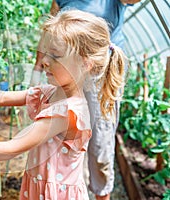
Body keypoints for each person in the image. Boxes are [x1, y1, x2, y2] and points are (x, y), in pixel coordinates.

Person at [0, 10, 126, 200]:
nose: (45, 61)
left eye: (55, 56)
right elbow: (4, 98)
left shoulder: (67, 112)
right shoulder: (49, 92)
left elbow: (12, 148)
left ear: (85, 64)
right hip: (39, 189)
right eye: (45, 53)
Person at [30, 1, 140, 200]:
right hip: (63, 69)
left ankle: (102, 193)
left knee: (100, 142)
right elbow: (50, 34)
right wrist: (38, 68)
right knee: (60, 138)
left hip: (99, 75)